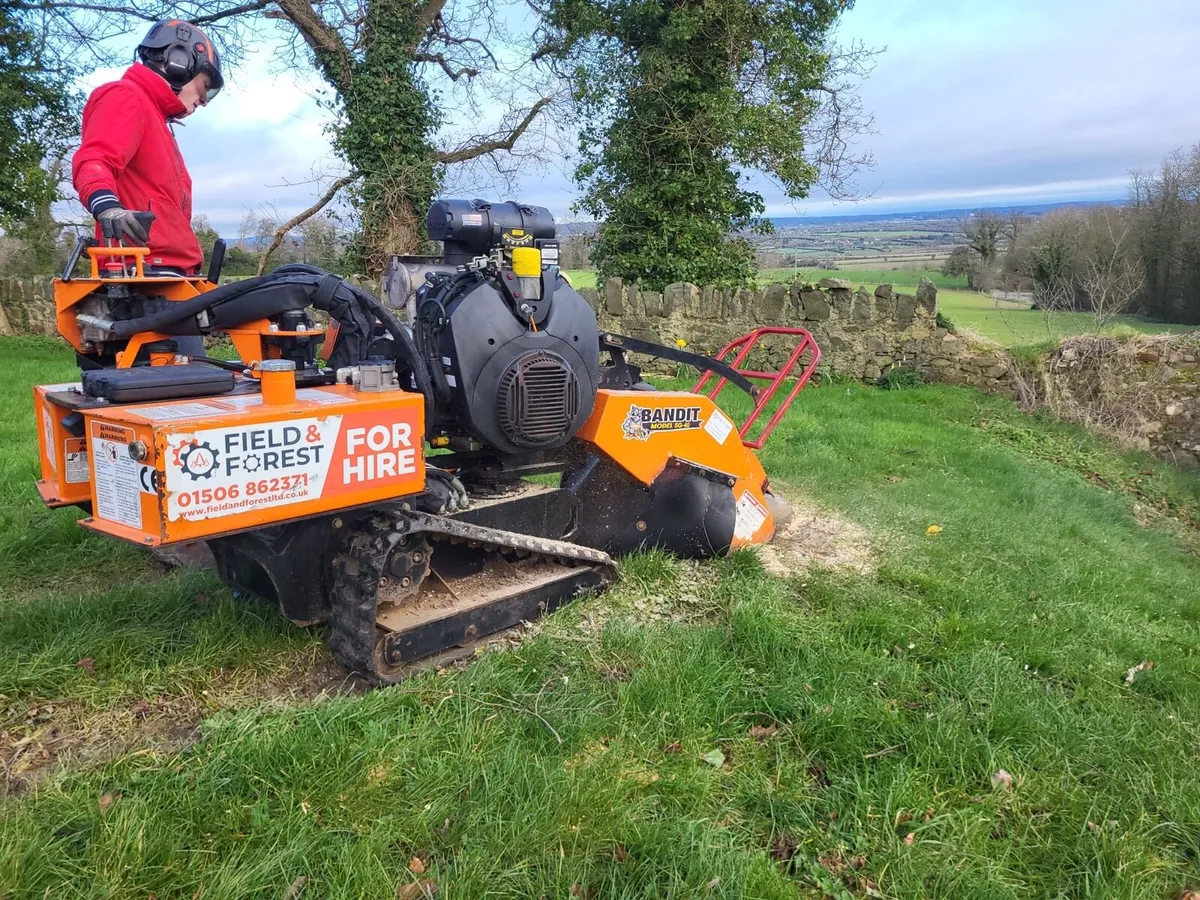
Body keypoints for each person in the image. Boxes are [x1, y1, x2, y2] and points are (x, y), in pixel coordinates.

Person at [72, 19, 224, 277]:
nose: (204, 101)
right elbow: (95, 160)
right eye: (205, 87)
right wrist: (107, 206)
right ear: (179, 63)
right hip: (145, 273)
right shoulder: (126, 96)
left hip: (167, 271)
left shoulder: (157, 121)